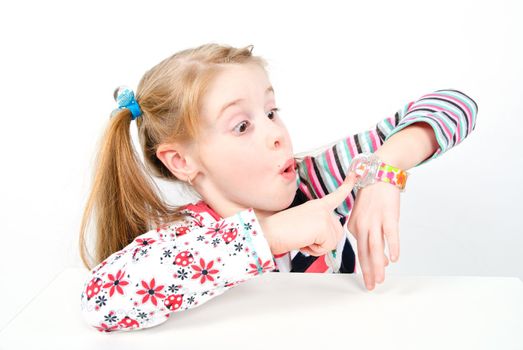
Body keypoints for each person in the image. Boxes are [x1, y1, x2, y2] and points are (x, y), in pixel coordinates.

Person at [78, 43, 478, 332]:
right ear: (181, 161)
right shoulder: (188, 239)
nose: (276, 134)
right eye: (242, 125)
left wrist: (384, 170)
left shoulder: (322, 180)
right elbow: (100, 301)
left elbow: (455, 105)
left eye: (271, 112)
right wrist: (269, 235)